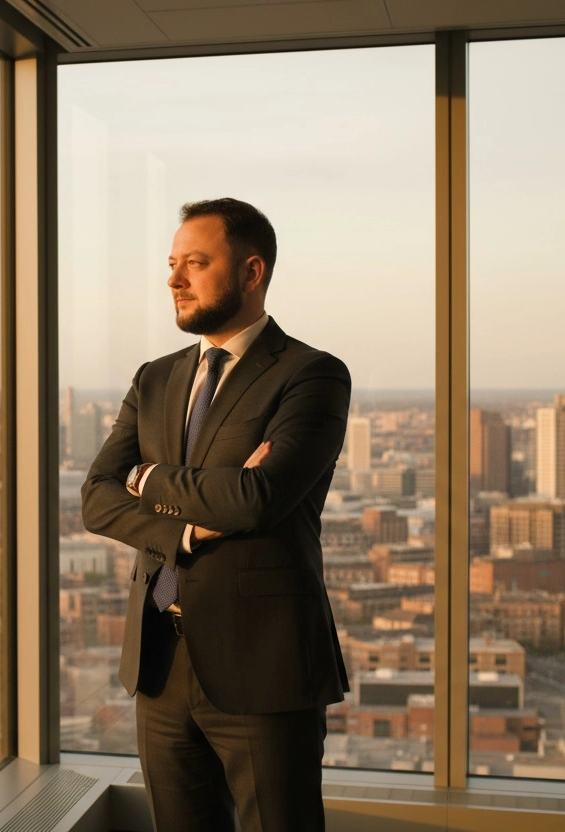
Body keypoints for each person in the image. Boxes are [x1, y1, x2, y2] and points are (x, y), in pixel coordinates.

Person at [81, 198, 351, 831]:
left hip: (264, 666)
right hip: (158, 666)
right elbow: (96, 497)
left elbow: (258, 498)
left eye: (195, 264)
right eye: (172, 264)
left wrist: (146, 478)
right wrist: (188, 527)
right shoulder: (154, 380)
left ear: (252, 272)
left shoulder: (311, 375)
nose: (173, 280)